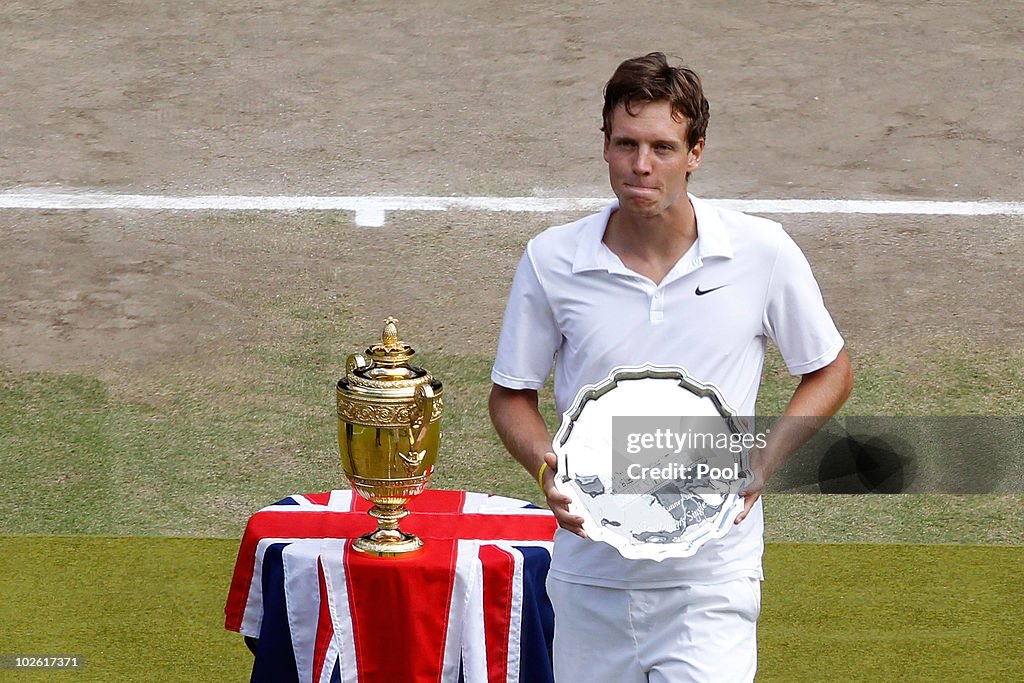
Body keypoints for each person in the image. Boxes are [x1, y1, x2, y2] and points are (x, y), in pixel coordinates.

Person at [489, 52, 853, 682]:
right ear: (604, 146)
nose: (641, 165)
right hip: (589, 579)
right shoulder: (551, 259)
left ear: (696, 152)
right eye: (626, 144)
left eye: (662, 146)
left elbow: (829, 368)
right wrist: (548, 468)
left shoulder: (761, 251)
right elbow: (511, 394)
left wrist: (763, 459)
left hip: (711, 583)